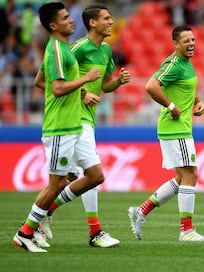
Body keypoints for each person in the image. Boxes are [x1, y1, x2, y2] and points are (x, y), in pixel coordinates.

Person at [35, 4, 131, 248]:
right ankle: (94, 232)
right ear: (92, 23)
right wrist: (81, 94)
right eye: (106, 18)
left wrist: (118, 81)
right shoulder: (76, 48)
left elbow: (105, 84)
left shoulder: (106, 50)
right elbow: (42, 81)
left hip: (87, 119)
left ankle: (43, 214)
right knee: (92, 175)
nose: (111, 22)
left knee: (82, 177)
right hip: (74, 118)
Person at [13, 2, 102, 253]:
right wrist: (86, 79)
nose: (71, 20)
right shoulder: (57, 50)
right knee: (56, 184)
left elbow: (40, 79)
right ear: (54, 25)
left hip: (72, 126)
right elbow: (57, 87)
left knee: (85, 177)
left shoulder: (62, 49)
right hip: (60, 128)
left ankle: (33, 228)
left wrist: (81, 92)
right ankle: (25, 232)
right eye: (65, 18)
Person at [128, 25, 204, 242]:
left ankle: (141, 211)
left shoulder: (186, 64)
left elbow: (184, 89)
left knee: (182, 177)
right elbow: (151, 85)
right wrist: (171, 105)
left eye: (193, 39)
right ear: (176, 44)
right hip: (175, 127)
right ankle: (186, 231)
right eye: (186, 41)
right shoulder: (174, 63)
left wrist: (198, 100)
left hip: (180, 127)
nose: (191, 44)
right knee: (190, 175)